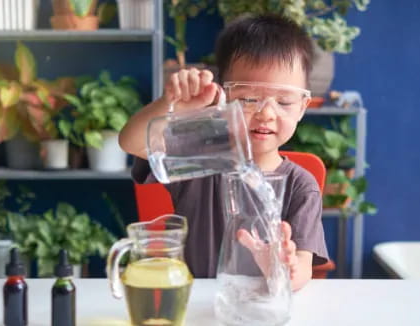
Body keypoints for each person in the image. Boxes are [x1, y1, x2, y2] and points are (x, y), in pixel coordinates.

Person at [119, 14, 329, 291]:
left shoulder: (301, 186)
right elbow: (130, 141)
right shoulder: (203, 158)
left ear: (302, 106)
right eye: (248, 99)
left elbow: (301, 269)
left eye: (284, 101)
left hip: (263, 306)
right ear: (224, 97)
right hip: (194, 302)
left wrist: (283, 267)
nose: (266, 113)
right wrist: (171, 107)